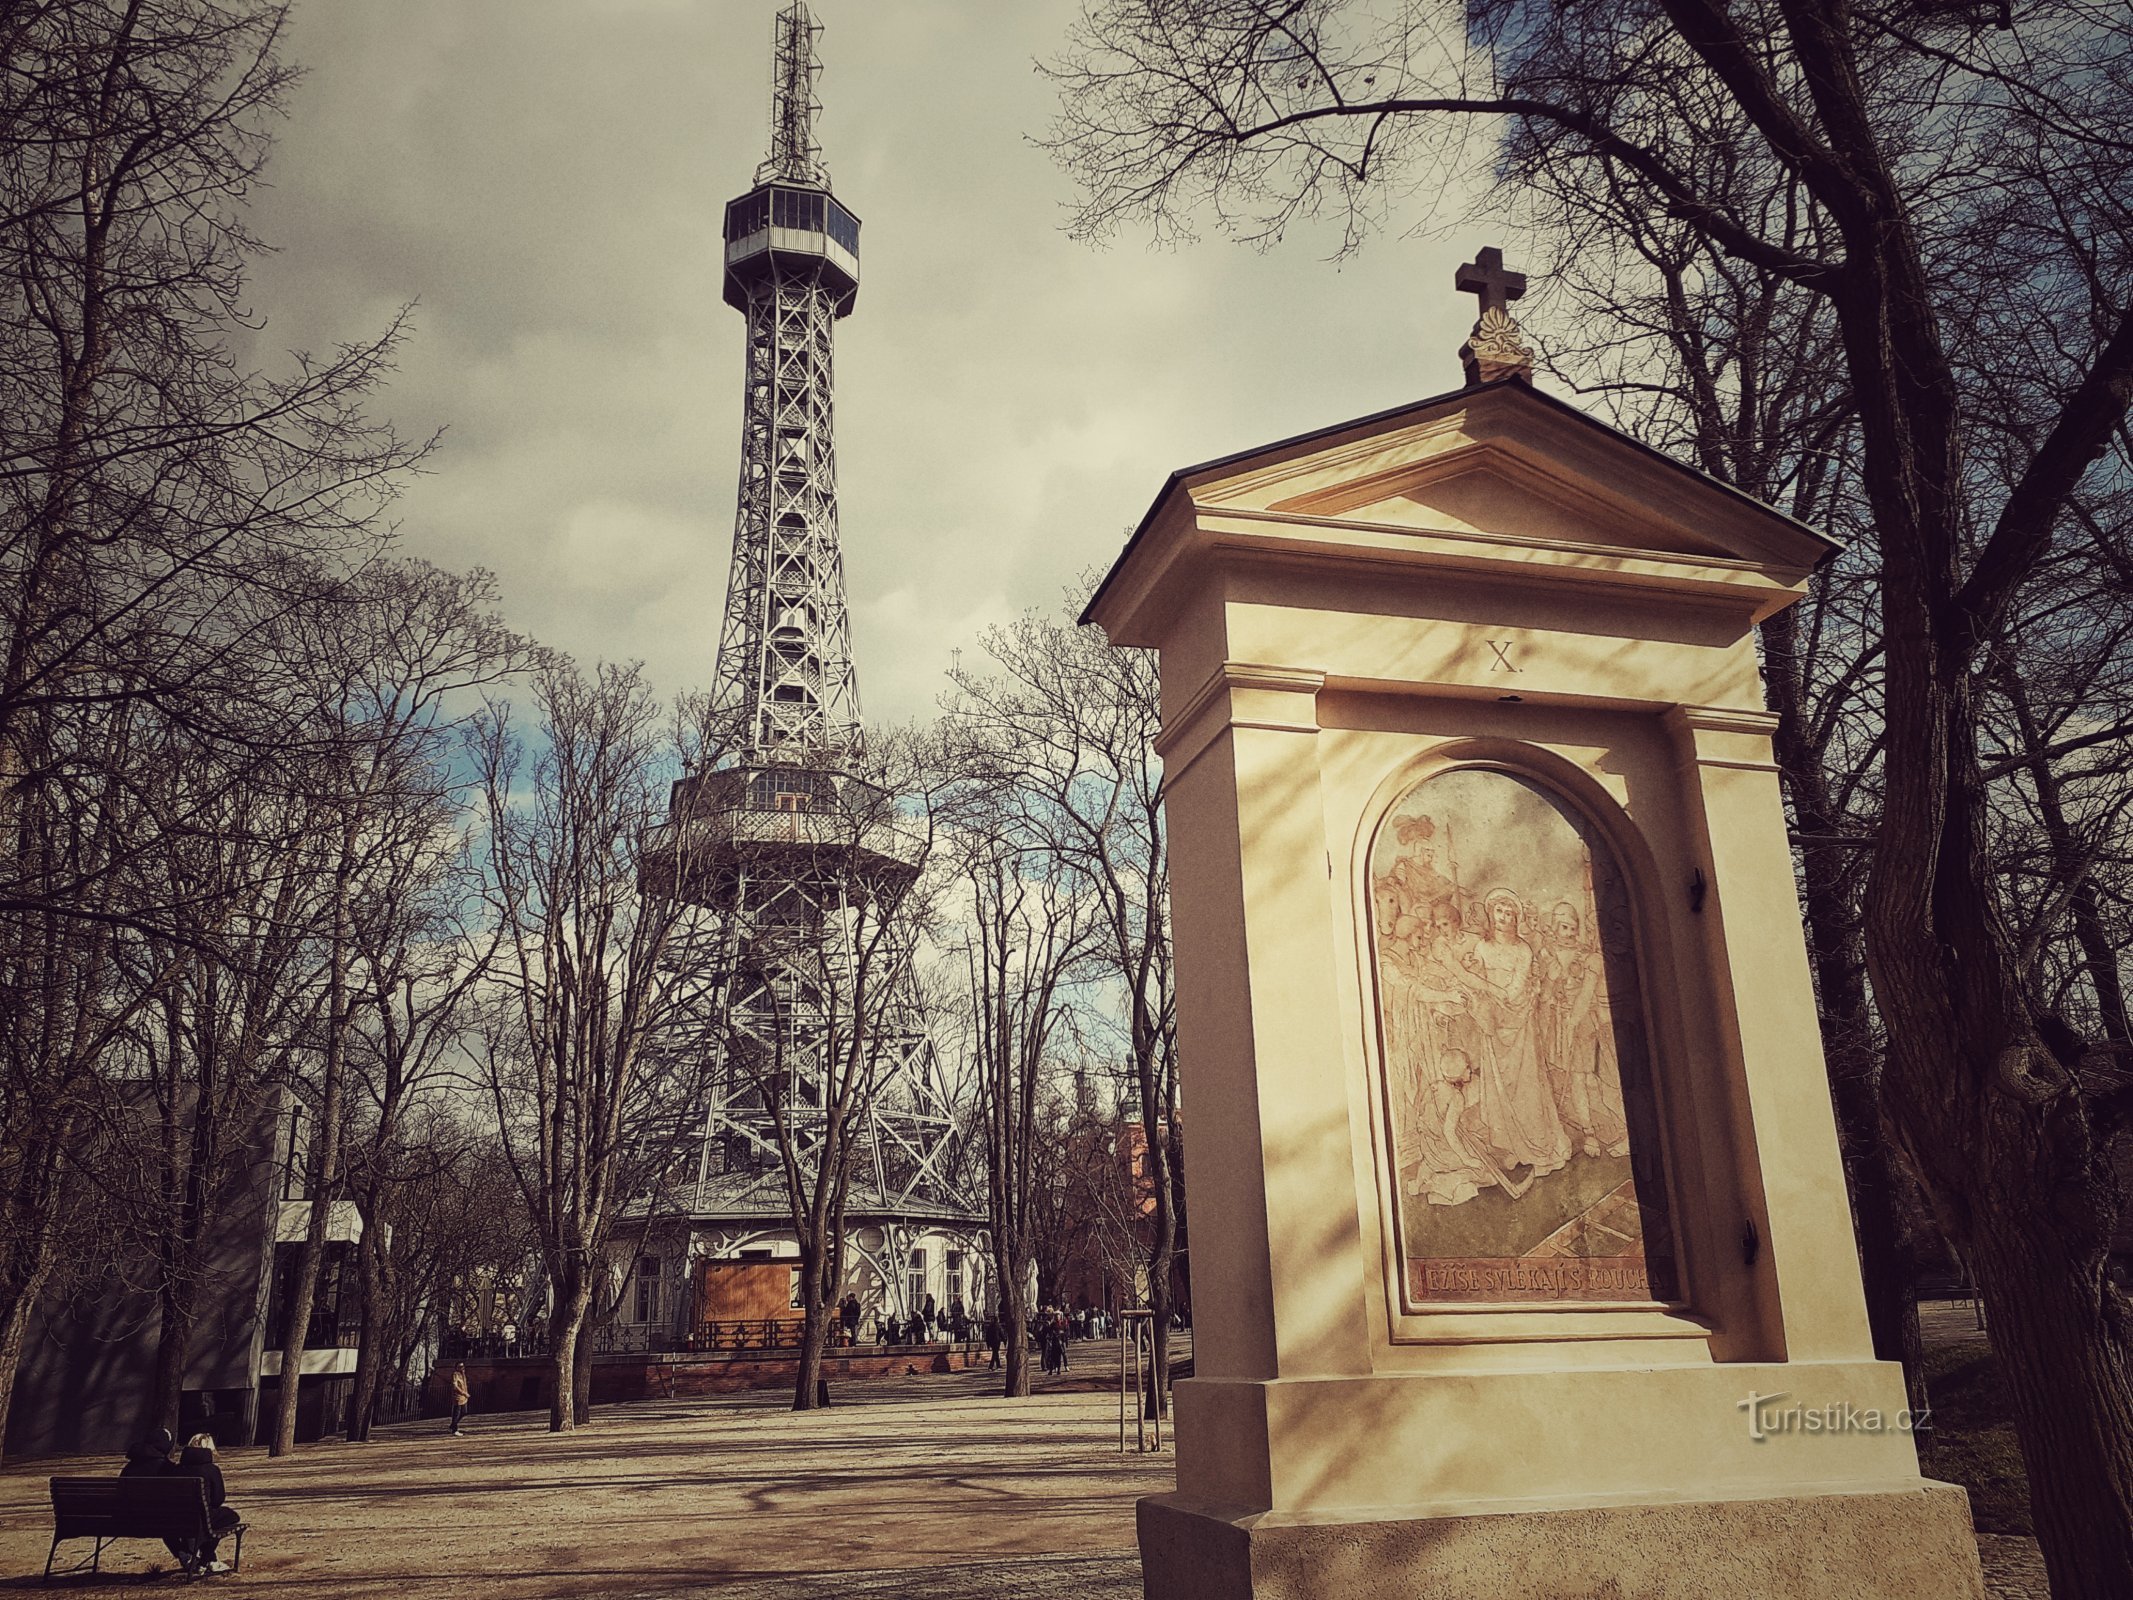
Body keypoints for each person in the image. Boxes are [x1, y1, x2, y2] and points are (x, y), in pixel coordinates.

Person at [169, 1433, 241, 1574]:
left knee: (205, 1522)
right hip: (202, 1519)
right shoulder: (211, 1469)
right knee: (230, 1517)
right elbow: (218, 1499)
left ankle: (198, 1558)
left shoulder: (176, 1469)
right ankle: (206, 1559)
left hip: (176, 1520)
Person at [448, 1363, 471, 1436]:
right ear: (456, 1367)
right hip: (458, 1397)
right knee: (456, 1413)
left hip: (464, 1397)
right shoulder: (455, 1375)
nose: (462, 1368)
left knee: (464, 1411)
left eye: (463, 1366)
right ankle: (454, 1430)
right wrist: (464, 1393)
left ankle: (453, 1425)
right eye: (460, 1366)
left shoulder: (462, 1375)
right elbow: (455, 1386)